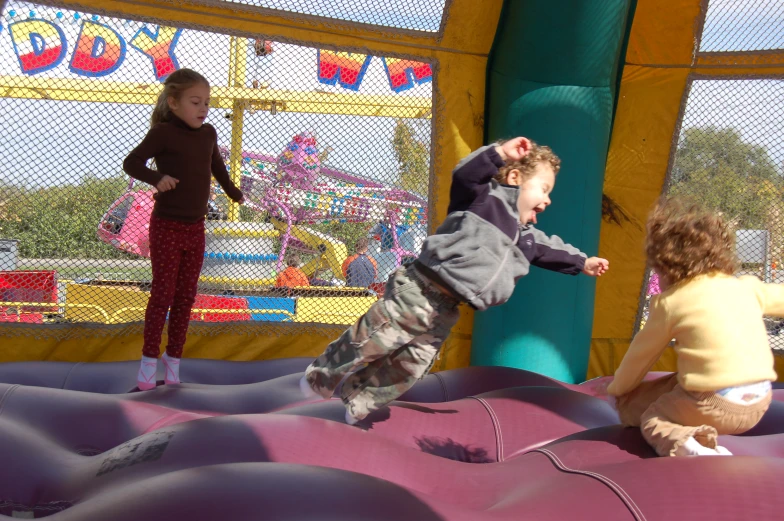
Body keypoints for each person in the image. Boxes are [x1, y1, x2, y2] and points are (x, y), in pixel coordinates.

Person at [300, 137, 609, 424]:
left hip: (447, 308)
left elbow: (548, 248)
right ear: (515, 179)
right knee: (374, 339)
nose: (548, 199)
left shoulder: (524, 237)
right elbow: (466, 174)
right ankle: (319, 378)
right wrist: (500, 153)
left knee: (411, 366)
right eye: (544, 188)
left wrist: (582, 261)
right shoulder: (483, 201)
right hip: (420, 288)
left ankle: (357, 402)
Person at [605, 197, 782, 456]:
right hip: (760, 401)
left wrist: (616, 389)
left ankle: (690, 446)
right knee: (677, 384)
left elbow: (639, 358)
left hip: (715, 405)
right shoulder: (745, 287)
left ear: (667, 267)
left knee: (654, 418)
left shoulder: (672, 302)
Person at [123, 68, 244, 390]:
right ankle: (148, 365)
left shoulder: (208, 134)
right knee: (163, 294)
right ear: (174, 103)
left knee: (186, 297)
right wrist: (156, 178)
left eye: (206, 102)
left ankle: (173, 364)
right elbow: (132, 162)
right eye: (195, 101)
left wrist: (233, 190)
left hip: (195, 228)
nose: (203, 108)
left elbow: (216, 166)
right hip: (166, 226)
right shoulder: (163, 133)